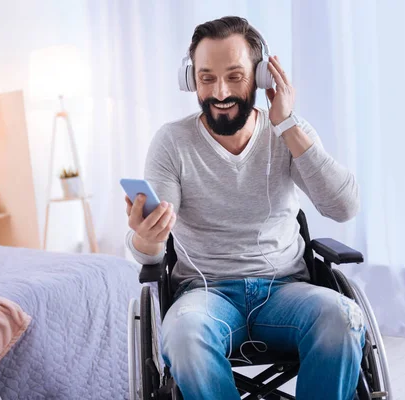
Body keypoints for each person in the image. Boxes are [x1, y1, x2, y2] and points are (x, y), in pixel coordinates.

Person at [125, 16, 364, 400]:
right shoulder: (172, 142)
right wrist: (146, 238)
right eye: (206, 78)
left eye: (235, 76)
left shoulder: (288, 132)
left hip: (287, 291)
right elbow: (152, 244)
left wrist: (286, 123)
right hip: (206, 294)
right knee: (183, 335)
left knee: (344, 316)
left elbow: (344, 206)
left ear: (263, 76)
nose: (219, 92)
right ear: (191, 80)